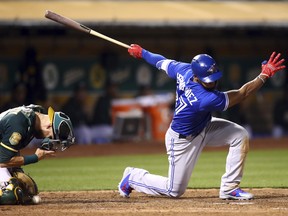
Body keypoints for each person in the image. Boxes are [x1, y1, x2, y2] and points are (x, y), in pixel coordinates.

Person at [118, 44, 285, 200]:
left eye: (213, 78)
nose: (212, 82)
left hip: (204, 126)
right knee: (174, 190)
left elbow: (160, 61)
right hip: (183, 140)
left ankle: (229, 188)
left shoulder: (184, 70)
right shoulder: (205, 98)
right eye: (208, 79)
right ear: (197, 77)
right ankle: (132, 177)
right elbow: (242, 94)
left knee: (239, 135)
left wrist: (142, 53)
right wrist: (264, 75)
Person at [0, 104, 75, 205]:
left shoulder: (35, 114)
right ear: (49, 126)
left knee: (26, 190)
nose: (48, 139)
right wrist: (35, 157)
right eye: (50, 136)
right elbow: (2, 161)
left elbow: (9, 147)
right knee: (10, 195)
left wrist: (15, 168)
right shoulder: (19, 125)